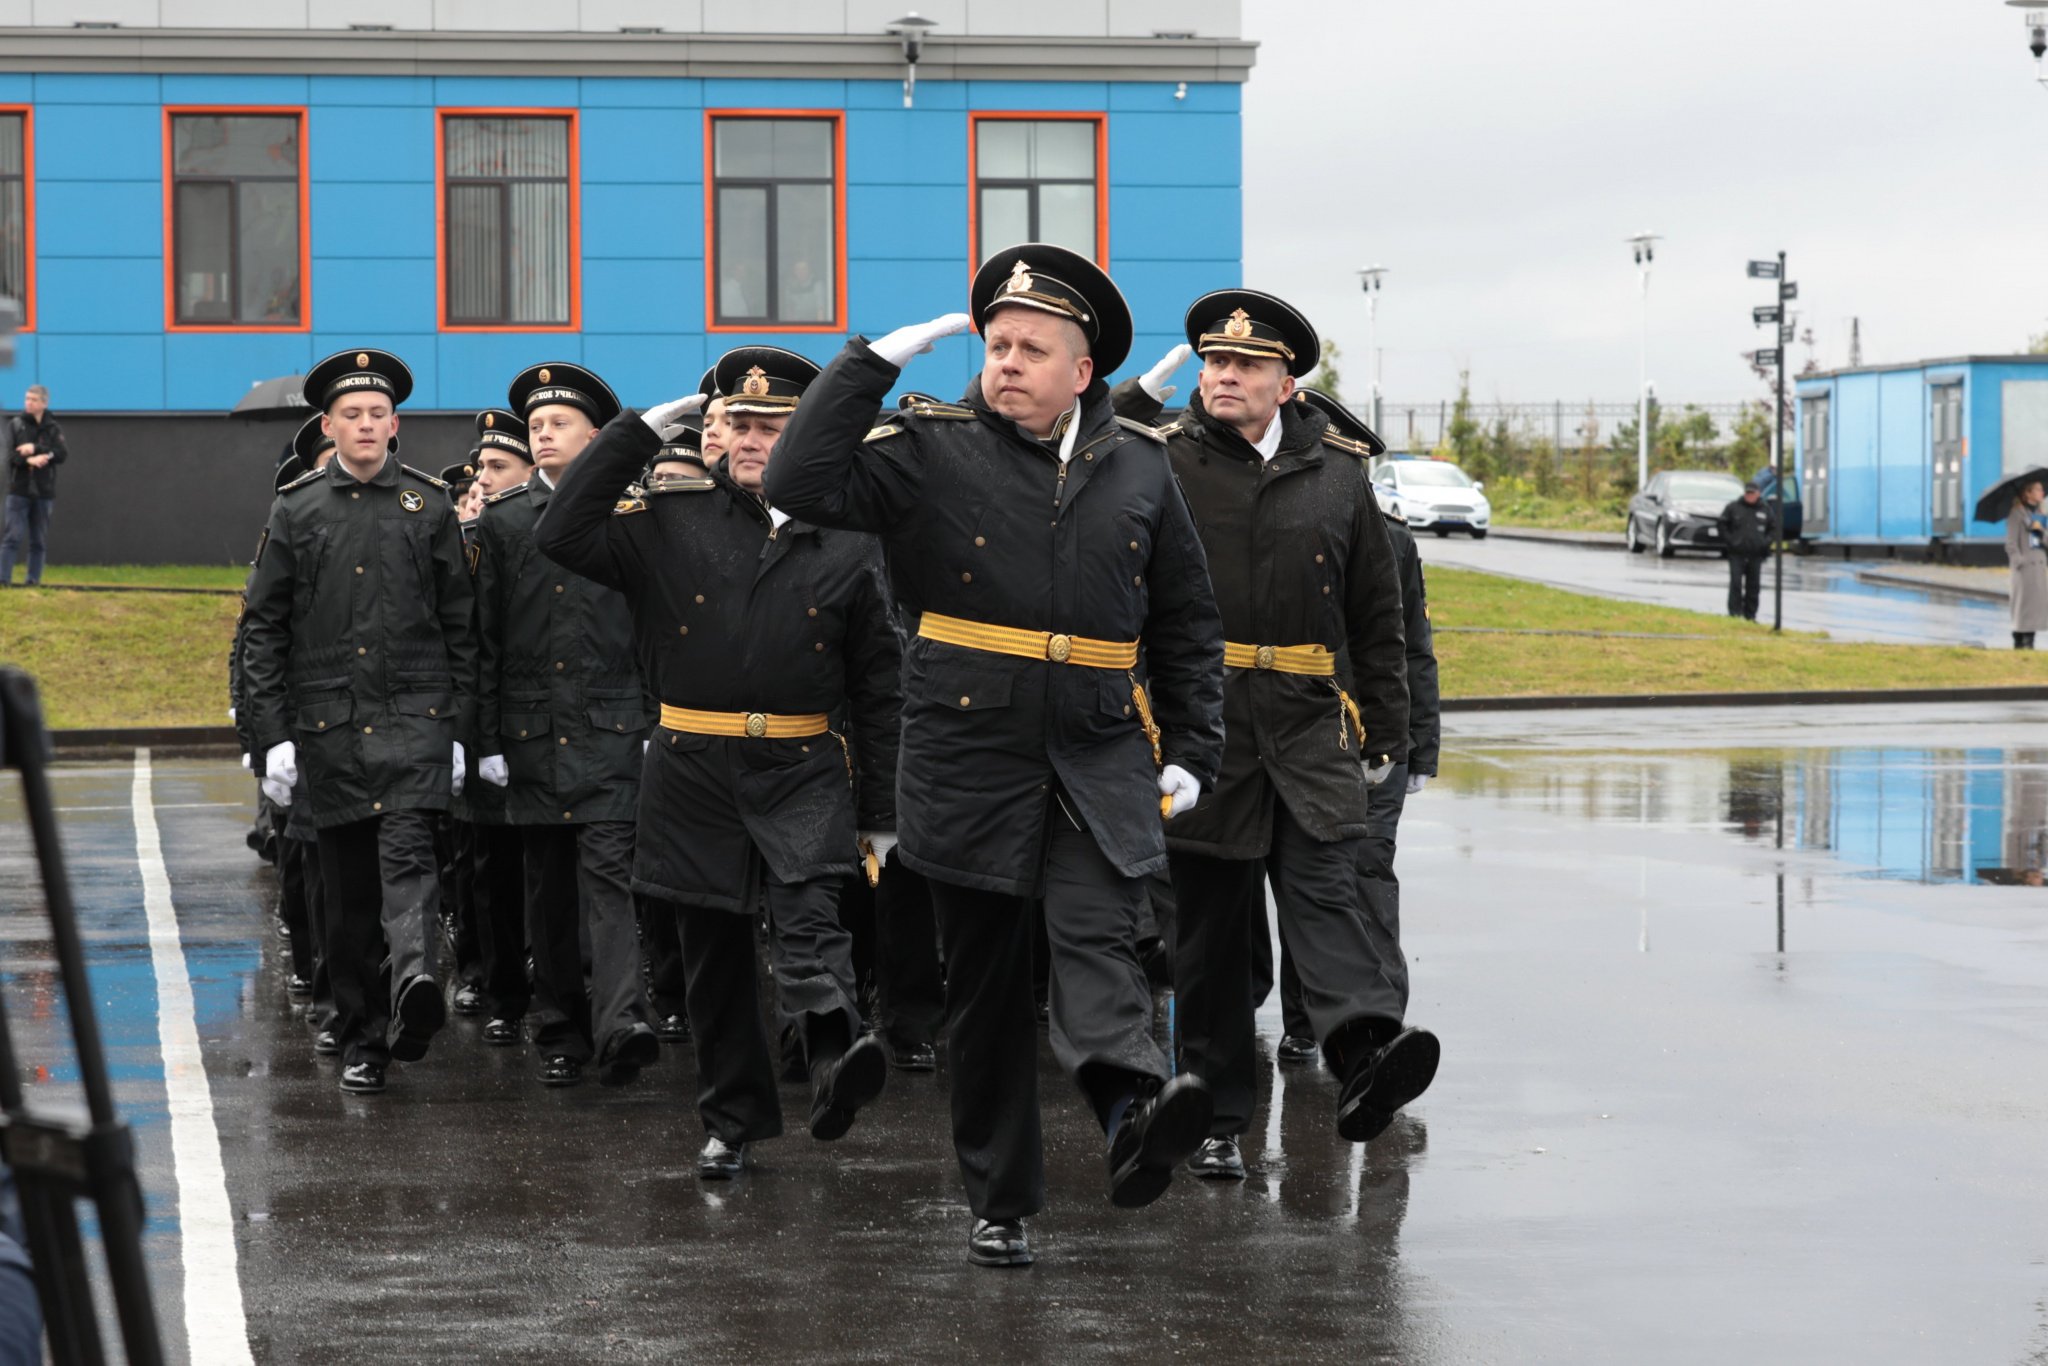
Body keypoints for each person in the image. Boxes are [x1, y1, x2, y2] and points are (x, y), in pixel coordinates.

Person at [766, 242, 1227, 1268]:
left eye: (1032, 348)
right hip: (965, 748)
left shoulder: (1142, 464)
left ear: (1081, 370)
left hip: (1097, 750)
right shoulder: (925, 449)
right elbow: (796, 481)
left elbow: (1187, 620)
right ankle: (1000, 1197)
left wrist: (1193, 744)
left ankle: (1129, 1118)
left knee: (1099, 937)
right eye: (996, 343)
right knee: (983, 989)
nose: (1006, 361)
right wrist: (863, 366)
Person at [534, 346, 900, 1177]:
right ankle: (733, 1120)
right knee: (714, 959)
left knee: (813, 926)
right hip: (692, 764)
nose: (751, 439)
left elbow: (881, 685)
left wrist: (882, 812)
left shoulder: (847, 534)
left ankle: (837, 1058)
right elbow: (560, 532)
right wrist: (629, 437)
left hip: (803, 760)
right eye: (737, 422)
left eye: (774, 426)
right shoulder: (668, 515)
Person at [1113, 294, 1430, 1183]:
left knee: (1329, 893)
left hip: (1305, 723)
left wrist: (1389, 736)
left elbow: (1376, 614)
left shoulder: (1336, 474)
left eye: (1246, 367)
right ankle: (1215, 1117)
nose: (1223, 378)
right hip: (1202, 727)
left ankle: (1367, 1056)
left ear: (1286, 383)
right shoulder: (1160, 462)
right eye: (1215, 364)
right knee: (1210, 935)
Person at [241, 348, 476, 1095]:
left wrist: (463, 729)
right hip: (328, 728)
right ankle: (365, 1037)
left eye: (378, 414)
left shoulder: (429, 505)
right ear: (330, 425)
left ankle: (415, 979)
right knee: (344, 901)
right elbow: (263, 627)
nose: (367, 424)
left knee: (409, 861)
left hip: (414, 717)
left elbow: (461, 625)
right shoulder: (298, 507)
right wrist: (270, 734)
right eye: (352, 415)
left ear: (395, 424)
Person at [472, 363, 661, 1089]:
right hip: (531, 731)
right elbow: (484, 636)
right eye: (537, 427)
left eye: (559, 425)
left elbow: (654, 627)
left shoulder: (634, 513)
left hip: (612, 722)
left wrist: (651, 717)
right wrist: (484, 739)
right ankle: (560, 1028)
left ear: (597, 438)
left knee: (611, 878)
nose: (543, 435)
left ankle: (621, 1022)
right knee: (547, 886)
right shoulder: (506, 518)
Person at [1276, 388, 1442, 1075]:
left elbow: (1410, 650)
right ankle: (1303, 1022)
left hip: (1371, 742)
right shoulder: (1277, 530)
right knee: (1303, 881)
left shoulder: (1394, 542)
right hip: (1299, 734)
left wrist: (1416, 745)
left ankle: (1380, 1028)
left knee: (1366, 878)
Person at [1, 384, 64, 588]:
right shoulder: (16, 425)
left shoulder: (53, 428)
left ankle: (33, 580)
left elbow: (61, 453)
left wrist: (37, 449)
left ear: (44, 403)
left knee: (38, 540)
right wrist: (28, 460)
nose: (28, 402)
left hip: (43, 492)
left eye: (34, 399)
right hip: (18, 491)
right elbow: (8, 457)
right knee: (12, 537)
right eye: (27, 398)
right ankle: (3, 579)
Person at [1716, 481, 1779, 621]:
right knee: (1736, 583)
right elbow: (1722, 524)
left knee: (1753, 586)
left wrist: (1765, 543)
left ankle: (1750, 615)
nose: (1749, 496)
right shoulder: (1733, 507)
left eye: (1752, 493)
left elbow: (1774, 529)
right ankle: (1734, 613)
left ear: (1758, 494)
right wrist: (1730, 541)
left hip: (1756, 554)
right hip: (1737, 553)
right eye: (1747, 493)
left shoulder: (1765, 509)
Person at [2008, 478, 2048, 649]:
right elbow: (2011, 544)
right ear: (2028, 493)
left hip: (2039, 566)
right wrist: (2019, 561)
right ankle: (2020, 640)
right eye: (2038, 490)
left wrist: (2041, 531)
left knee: (2036, 608)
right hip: (2024, 569)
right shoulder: (2017, 514)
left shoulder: (2041, 515)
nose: (2042, 493)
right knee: (2023, 607)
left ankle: (2028, 641)